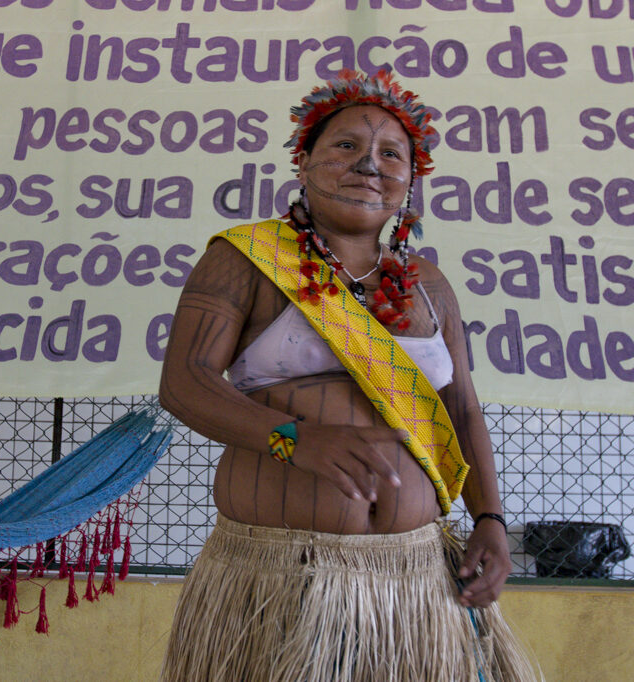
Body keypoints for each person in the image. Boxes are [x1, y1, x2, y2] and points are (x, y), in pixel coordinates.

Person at [158, 70, 538, 681]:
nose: (370, 164)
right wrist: (296, 438)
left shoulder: (430, 286)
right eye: (346, 147)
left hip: (411, 584)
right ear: (303, 162)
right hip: (277, 578)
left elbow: (461, 408)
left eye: (392, 154)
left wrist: (489, 518)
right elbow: (185, 383)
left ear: (410, 182)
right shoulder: (244, 257)